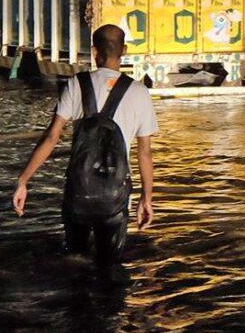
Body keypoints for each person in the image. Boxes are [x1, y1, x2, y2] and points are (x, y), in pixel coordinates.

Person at [13, 24, 157, 271]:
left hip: (79, 191)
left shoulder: (75, 84)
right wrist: (147, 198)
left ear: (93, 51)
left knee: (74, 262)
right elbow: (145, 152)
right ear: (124, 51)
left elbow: (51, 137)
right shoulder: (139, 92)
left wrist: (23, 181)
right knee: (109, 268)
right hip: (115, 195)